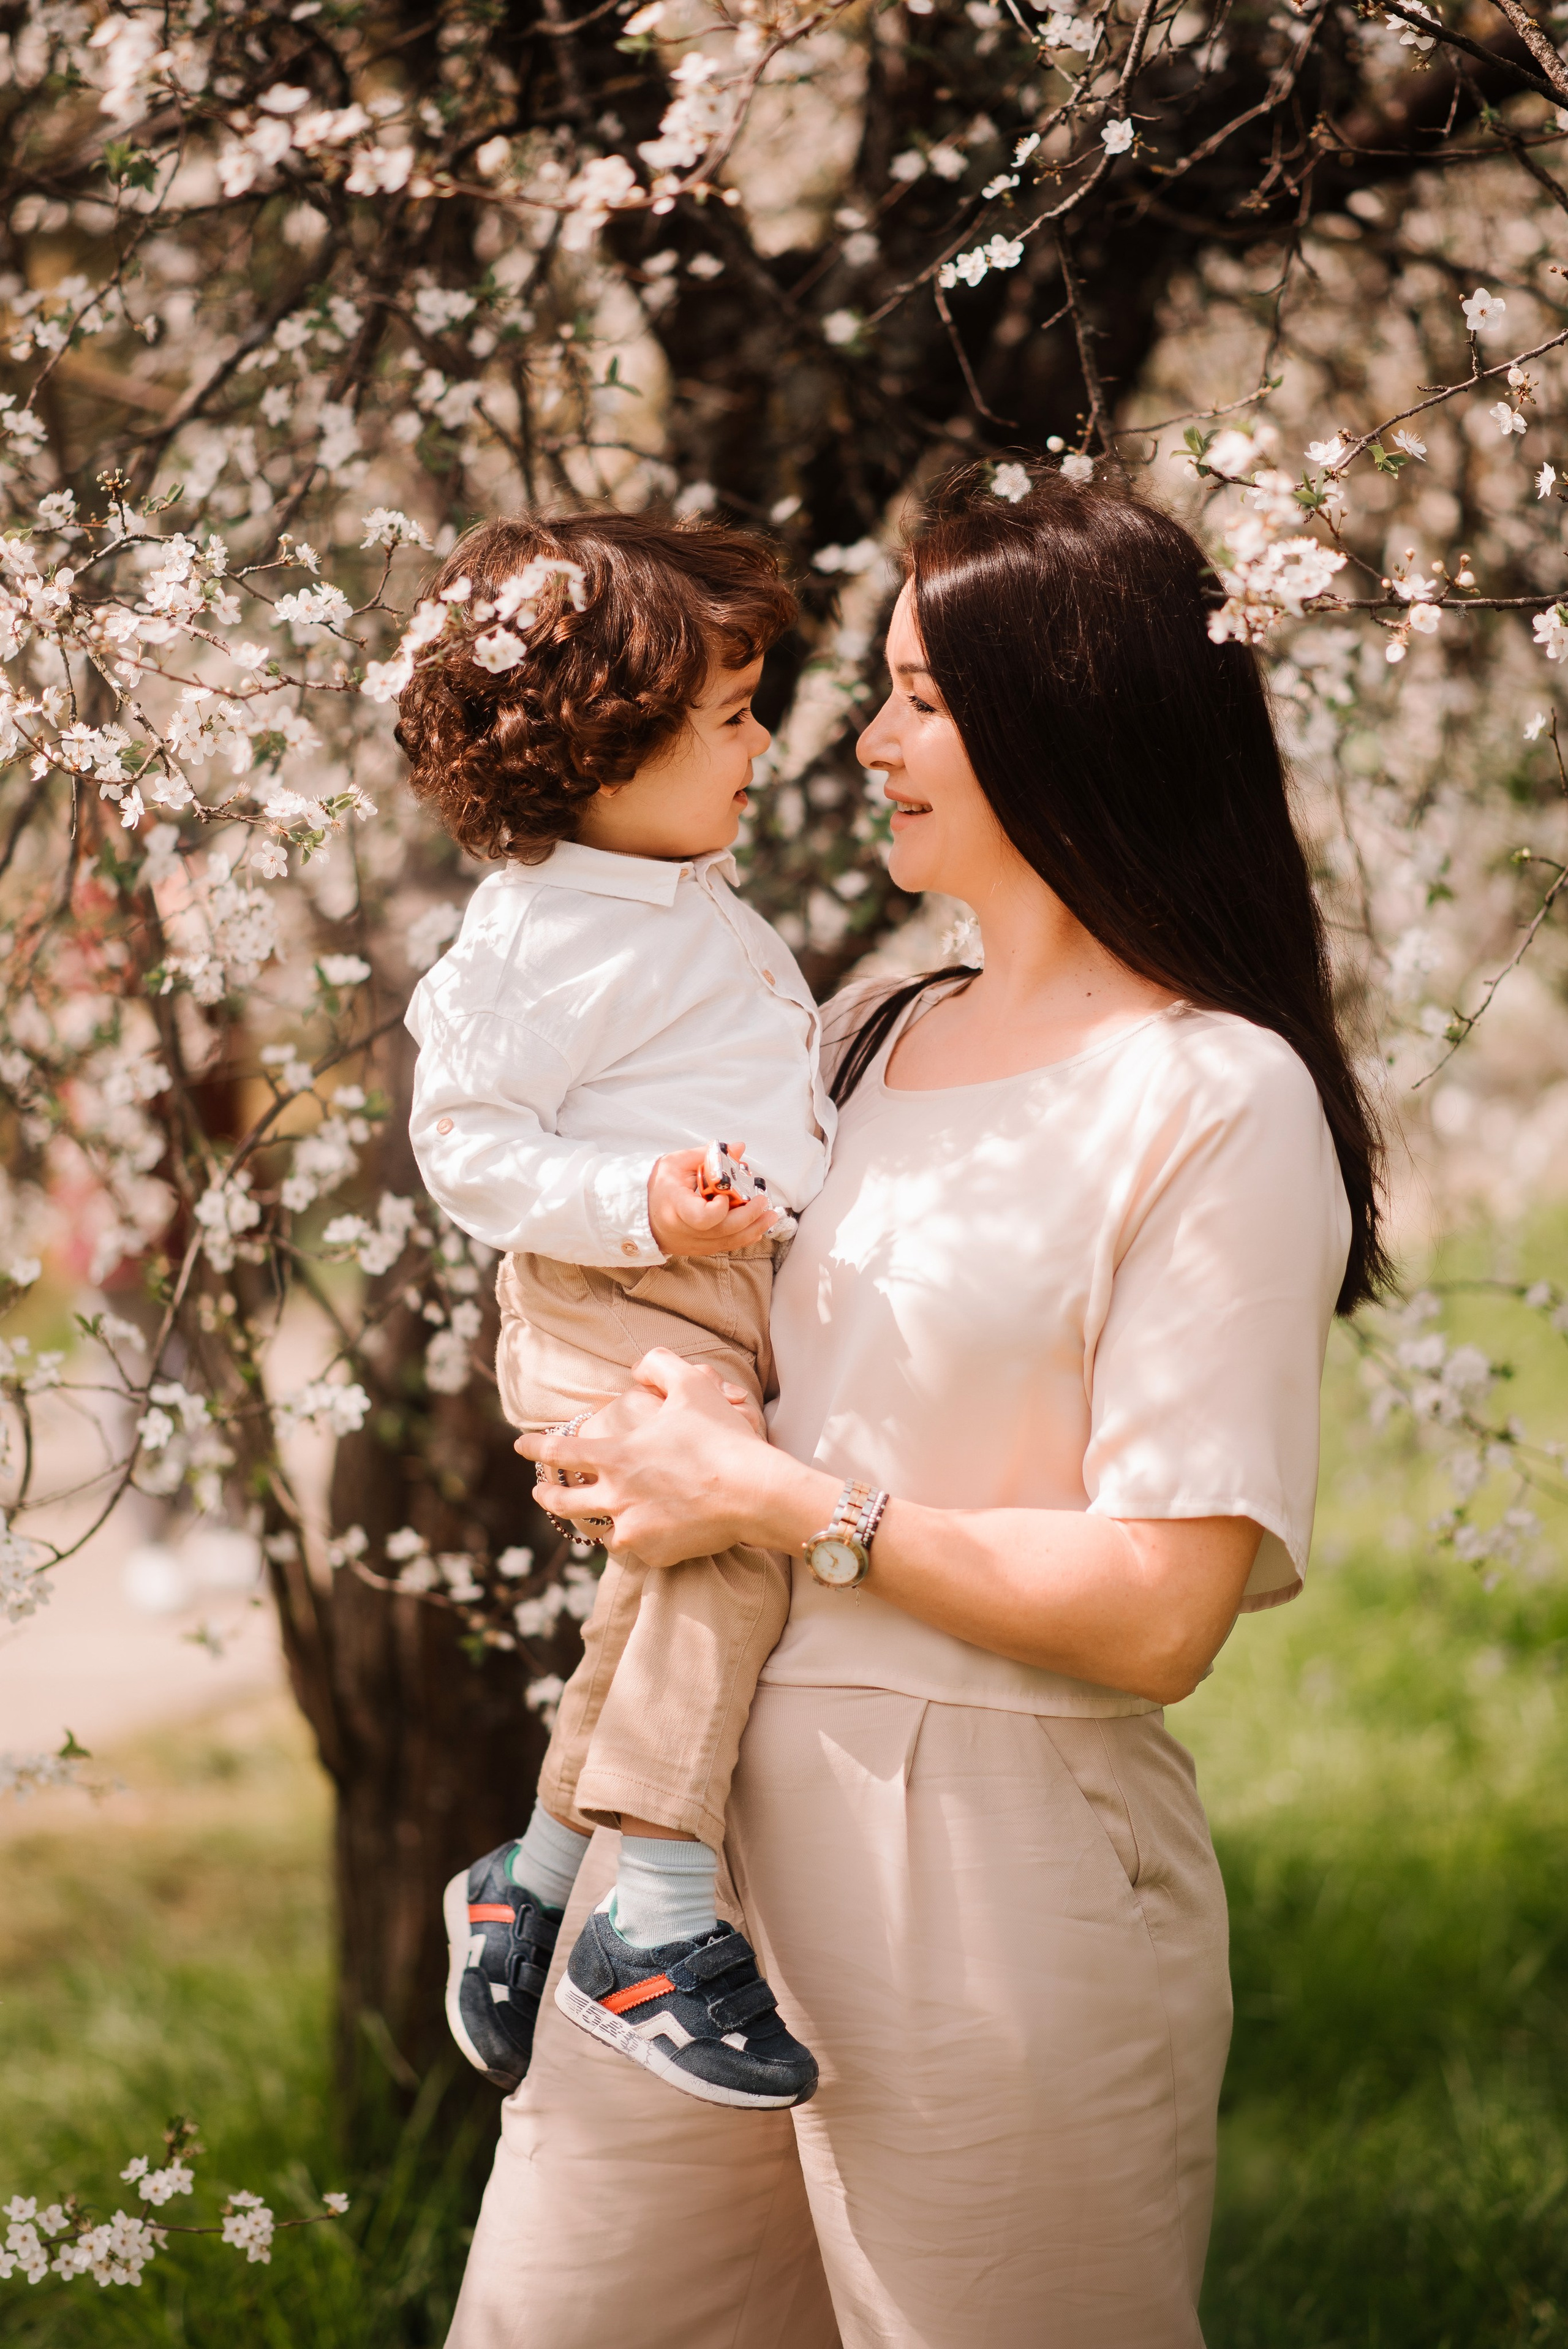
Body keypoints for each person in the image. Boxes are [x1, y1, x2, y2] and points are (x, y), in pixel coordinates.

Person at [443, 466, 1386, 2349]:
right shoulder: (856, 1031)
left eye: (920, 699)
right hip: (681, 1878)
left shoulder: (1212, 1095)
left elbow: (1165, 1608)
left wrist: (780, 1502)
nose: (865, 742)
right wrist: (618, 1436)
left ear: (1066, 717)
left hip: (995, 1853)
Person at [400, 511, 832, 2113]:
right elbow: (463, 1144)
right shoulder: (541, 935)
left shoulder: (665, 889)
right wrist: (643, 1201)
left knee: (660, 1598)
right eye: (731, 716)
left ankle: (528, 1879)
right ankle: (652, 1923)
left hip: (696, 1288)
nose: (763, 743)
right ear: (600, 749)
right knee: (733, 1549)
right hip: (613, 1296)